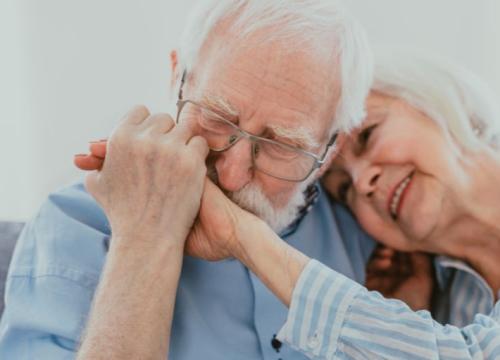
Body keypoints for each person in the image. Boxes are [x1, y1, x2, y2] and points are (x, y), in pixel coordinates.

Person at [0, 1, 375, 359]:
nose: (231, 175)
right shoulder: (71, 228)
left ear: (333, 147)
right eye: (215, 117)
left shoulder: (364, 230)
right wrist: (144, 237)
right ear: (177, 77)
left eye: (281, 145)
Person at [170, 53, 500, 359]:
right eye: (344, 190)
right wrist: (414, 309)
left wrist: (243, 237)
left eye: (369, 136)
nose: (362, 183)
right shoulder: (452, 297)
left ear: (428, 99)